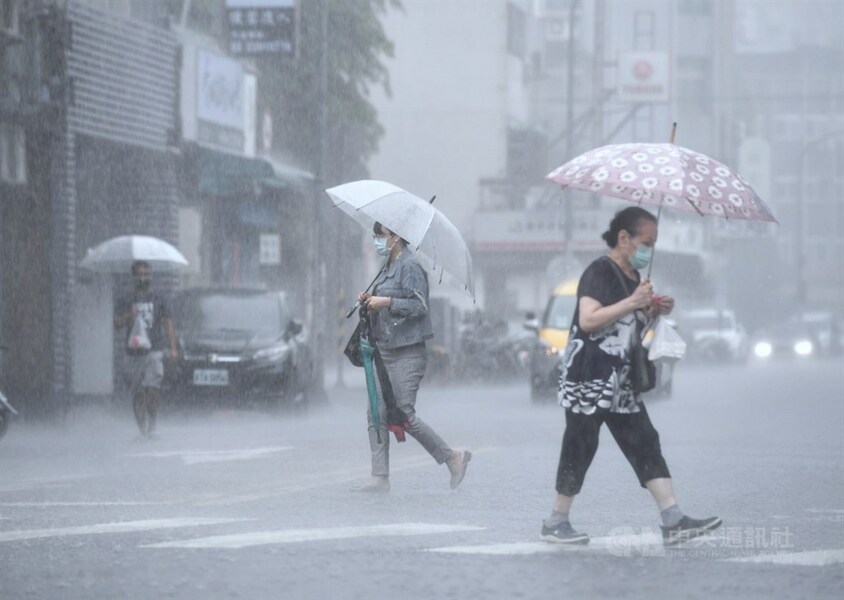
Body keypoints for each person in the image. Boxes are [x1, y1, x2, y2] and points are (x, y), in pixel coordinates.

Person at [541, 206, 721, 546]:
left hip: (621, 382)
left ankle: (673, 519)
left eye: (653, 243)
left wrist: (652, 310)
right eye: (646, 242)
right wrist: (632, 302)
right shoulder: (600, 271)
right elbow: (589, 320)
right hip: (589, 380)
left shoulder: (634, 279)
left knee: (645, 442)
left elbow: (628, 329)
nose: (648, 250)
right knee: (580, 446)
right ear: (624, 238)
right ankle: (556, 521)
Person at [352, 222, 471, 493]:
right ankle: (379, 476)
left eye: (380, 235)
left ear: (395, 236)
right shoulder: (387, 267)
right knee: (375, 410)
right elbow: (385, 299)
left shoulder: (410, 266)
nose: (377, 240)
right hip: (383, 350)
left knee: (404, 412)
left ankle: (453, 457)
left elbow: (419, 306)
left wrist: (386, 302)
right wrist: (370, 299)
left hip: (407, 353)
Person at [114, 260, 178, 439]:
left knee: (153, 387)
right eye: (140, 274)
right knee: (137, 393)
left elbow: (168, 323)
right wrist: (129, 315)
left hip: (154, 351)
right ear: (133, 277)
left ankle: (153, 423)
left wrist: (173, 348)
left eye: (147, 274)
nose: (144, 278)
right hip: (133, 352)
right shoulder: (126, 299)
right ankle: (142, 428)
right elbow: (117, 324)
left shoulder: (159, 299)